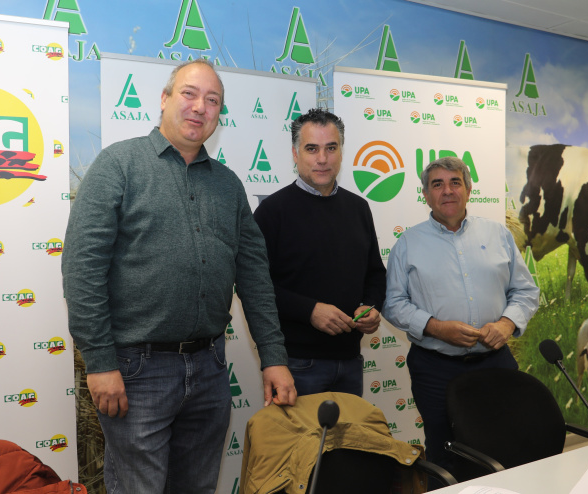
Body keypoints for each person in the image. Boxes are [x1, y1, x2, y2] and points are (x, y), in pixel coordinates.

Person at [62, 59, 296, 494]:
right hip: (136, 371)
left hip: (209, 370)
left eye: (212, 100)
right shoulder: (119, 165)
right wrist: (100, 362)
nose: (199, 107)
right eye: (189, 93)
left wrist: (274, 356)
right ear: (165, 99)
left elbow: (254, 277)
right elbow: (82, 268)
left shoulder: (228, 185)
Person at [383, 156, 539, 474]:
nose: (447, 191)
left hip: (495, 361)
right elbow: (393, 304)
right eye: (437, 184)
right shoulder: (408, 244)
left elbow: (525, 291)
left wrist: (507, 323)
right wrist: (436, 327)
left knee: (507, 443)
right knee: (445, 454)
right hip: (435, 370)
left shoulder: (499, 235)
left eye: (455, 182)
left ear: (469, 189)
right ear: (425, 194)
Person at [253, 108, 385, 397]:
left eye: (331, 148)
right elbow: (254, 286)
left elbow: (376, 274)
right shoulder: (272, 211)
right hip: (296, 365)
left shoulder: (359, 208)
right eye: (312, 149)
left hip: (351, 361)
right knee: (301, 445)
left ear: (341, 151)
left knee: (347, 444)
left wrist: (372, 307)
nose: (322, 159)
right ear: (295, 152)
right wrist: (309, 310)